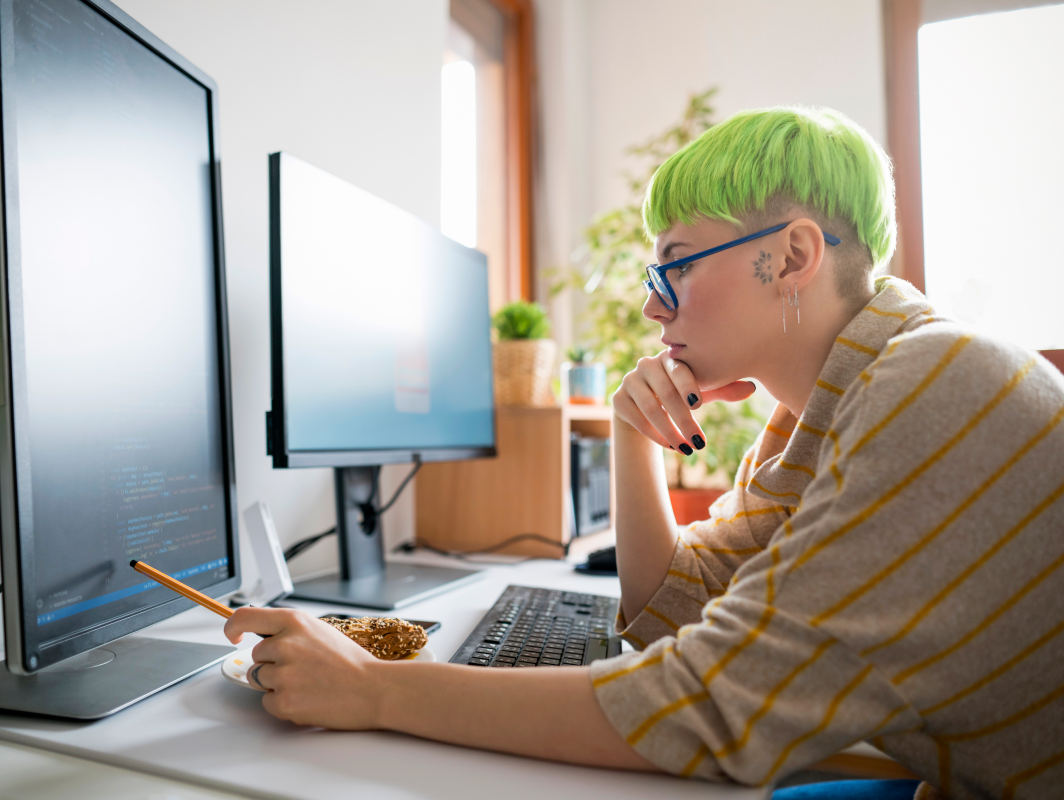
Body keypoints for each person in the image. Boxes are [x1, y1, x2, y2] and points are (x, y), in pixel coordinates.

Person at [224, 107, 1064, 800]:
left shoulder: (941, 380)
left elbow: (706, 705)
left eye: (675, 265)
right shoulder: (811, 430)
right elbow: (669, 616)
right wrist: (632, 434)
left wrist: (373, 689)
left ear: (793, 258)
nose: (654, 306)